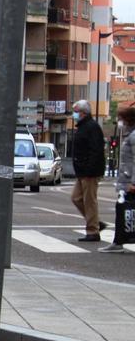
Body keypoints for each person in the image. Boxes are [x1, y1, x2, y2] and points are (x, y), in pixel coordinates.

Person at [70, 100, 106, 242]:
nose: (74, 114)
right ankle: (95, 223)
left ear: (83, 113)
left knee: (89, 201)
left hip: (89, 172)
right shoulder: (84, 126)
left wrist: (89, 169)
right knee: (76, 198)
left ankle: (93, 230)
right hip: (83, 171)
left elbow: (96, 150)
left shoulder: (91, 127)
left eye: (76, 111)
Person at [100, 105, 135, 253]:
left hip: (130, 181)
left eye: (120, 118)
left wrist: (133, 182)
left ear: (128, 119)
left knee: (123, 210)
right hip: (127, 180)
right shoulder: (130, 134)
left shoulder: (133, 136)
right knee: (122, 210)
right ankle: (118, 241)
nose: (119, 121)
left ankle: (118, 242)